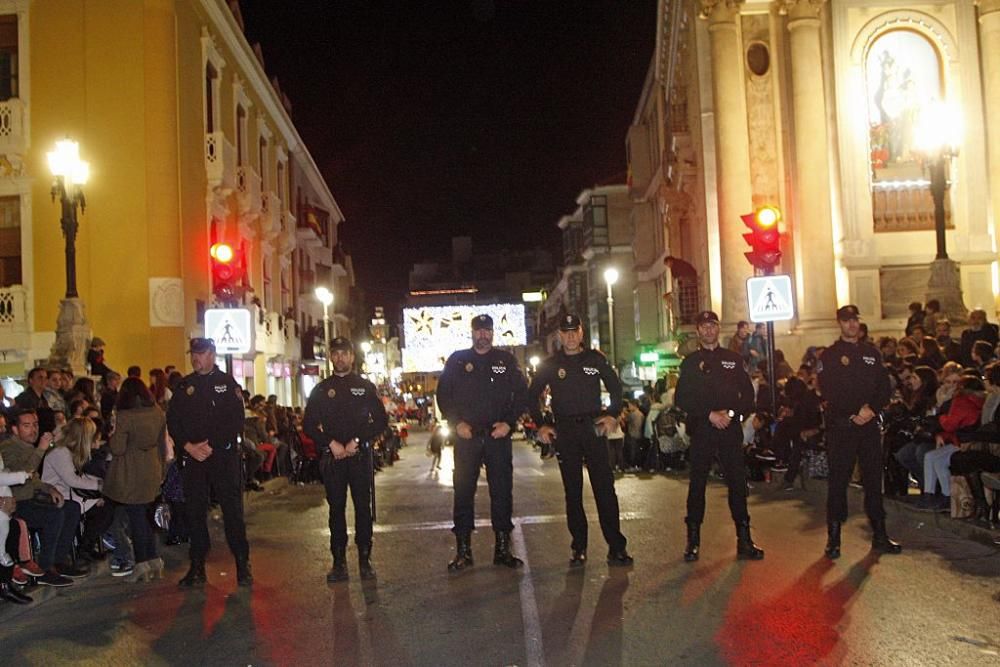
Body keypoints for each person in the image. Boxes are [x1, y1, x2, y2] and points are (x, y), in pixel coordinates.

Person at [527, 314, 633, 567]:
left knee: (605, 489)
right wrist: (542, 424)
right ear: (560, 336)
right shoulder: (551, 364)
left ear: (581, 333)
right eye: (566, 332)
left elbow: (617, 389)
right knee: (572, 492)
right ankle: (579, 547)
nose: (571, 336)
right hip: (565, 431)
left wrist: (612, 416)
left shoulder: (595, 360)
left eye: (575, 331)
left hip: (592, 428)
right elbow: (532, 395)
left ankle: (616, 547)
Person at [436, 314, 528, 571]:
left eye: (487, 330)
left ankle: (502, 549)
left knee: (502, 493)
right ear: (472, 332)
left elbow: (522, 394)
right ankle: (464, 551)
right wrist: (456, 424)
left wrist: (509, 423)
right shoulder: (457, 360)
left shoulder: (505, 360)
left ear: (492, 333)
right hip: (468, 437)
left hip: (497, 436)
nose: (483, 335)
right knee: (463, 492)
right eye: (479, 330)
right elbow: (443, 395)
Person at [674, 310, 763, 562]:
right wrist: (709, 414)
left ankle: (744, 540)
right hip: (703, 430)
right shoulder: (690, 363)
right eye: (704, 326)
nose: (708, 330)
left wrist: (731, 413)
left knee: (737, 483)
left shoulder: (733, 360)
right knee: (697, 485)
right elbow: (682, 399)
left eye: (712, 326)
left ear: (718, 329)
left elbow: (747, 397)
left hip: (730, 429)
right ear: (698, 331)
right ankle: (693, 541)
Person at [816, 305, 901, 559]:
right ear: (839, 324)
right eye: (846, 320)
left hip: (869, 426)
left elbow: (884, 387)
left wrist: (872, 409)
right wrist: (855, 410)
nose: (851, 325)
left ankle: (880, 534)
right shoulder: (830, 355)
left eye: (854, 320)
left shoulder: (871, 354)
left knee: (874, 481)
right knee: (839, 482)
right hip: (843, 426)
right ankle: (834, 538)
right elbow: (828, 390)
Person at [166, 337, 251, 588]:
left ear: (212, 354)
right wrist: (188, 446)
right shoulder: (184, 386)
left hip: (222, 456)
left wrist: (211, 444)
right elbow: (174, 421)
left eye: (201, 353)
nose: (196, 358)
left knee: (232, 512)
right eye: (193, 353)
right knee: (194, 512)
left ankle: (242, 564)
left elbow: (235, 420)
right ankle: (197, 566)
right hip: (194, 458)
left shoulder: (226, 383)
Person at [303, 337, 387, 583]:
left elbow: (380, 421)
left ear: (352, 356)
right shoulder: (321, 389)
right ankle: (338, 561)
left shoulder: (365, 387)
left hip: (359, 456)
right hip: (334, 458)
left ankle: (364, 559)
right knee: (336, 510)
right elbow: (309, 425)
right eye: (335, 353)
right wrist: (330, 443)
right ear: (331, 356)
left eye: (344, 353)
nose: (340, 358)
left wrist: (358, 441)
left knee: (363, 508)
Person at [1, 410, 81, 586]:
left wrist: (50, 488)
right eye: (27, 426)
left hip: (32, 498)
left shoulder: (28, 447)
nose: (33, 430)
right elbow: (23, 474)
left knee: (71, 508)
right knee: (53, 515)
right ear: (15, 429)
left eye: (35, 425)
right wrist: (41, 449)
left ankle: (59, 560)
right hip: (16, 503)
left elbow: (34, 479)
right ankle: (45, 568)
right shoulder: (8, 448)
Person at [104, 377, 167, 582]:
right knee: (146, 516)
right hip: (152, 467)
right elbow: (162, 444)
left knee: (136, 518)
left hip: (130, 471)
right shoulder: (157, 412)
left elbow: (118, 448)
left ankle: (142, 564)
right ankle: (154, 559)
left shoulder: (125, 416)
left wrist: (112, 435)